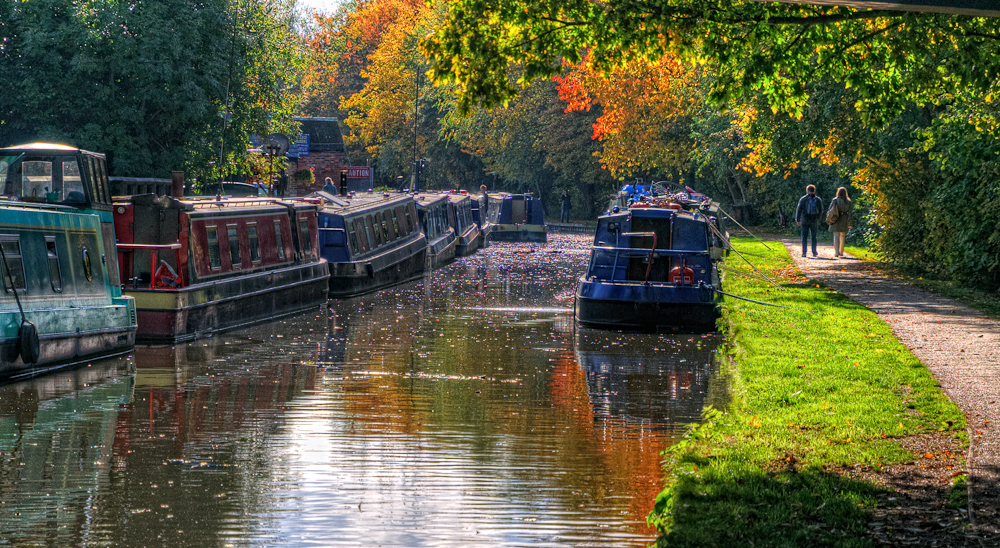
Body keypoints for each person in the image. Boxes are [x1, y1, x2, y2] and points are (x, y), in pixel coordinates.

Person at [794, 184, 823, 258]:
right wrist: (818, 217)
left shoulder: (803, 199)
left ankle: (804, 252)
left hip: (805, 219)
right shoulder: (818, 199)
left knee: (804, 236)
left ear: (807, 191)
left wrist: (798, 219)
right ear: (814, 191)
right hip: (814, 220)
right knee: (814, 236)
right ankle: (814, 252)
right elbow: (821, 210)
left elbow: (799, 209)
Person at [827, 186, 853, 259]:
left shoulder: (835, 200)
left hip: (836, 218)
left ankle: (836, 253)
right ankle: (841, 251)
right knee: (842, 235)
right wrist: (850, 223)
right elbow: (850, 213)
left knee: (836, 236)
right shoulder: (848, 201)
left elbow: (830, 210)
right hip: (844, 218)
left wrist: (829, 219)